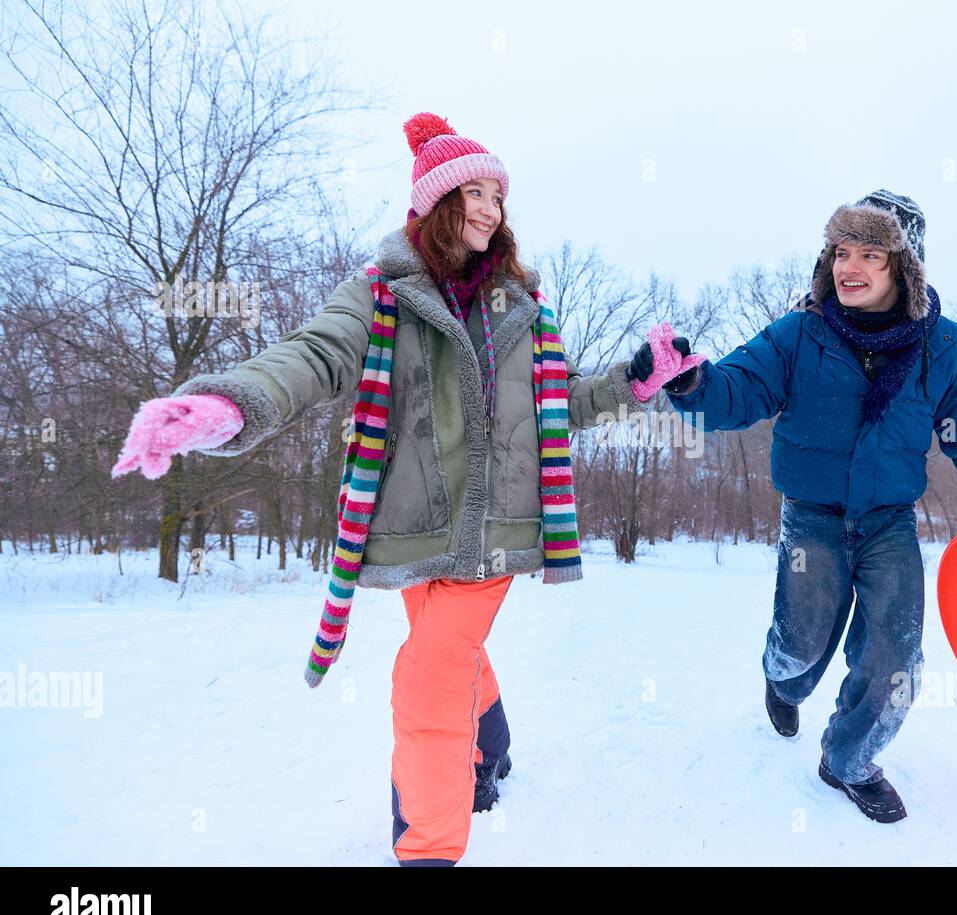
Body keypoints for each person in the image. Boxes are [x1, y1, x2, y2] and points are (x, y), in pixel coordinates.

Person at [112, 113, 657, 865]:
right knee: (450, 650)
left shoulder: (520, 305)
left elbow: (562, 402)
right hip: (411, 526)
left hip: (498, 529)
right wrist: (232, 401)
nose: (492, 208)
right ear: (436, 201)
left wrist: (635, 382)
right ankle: (489, 747)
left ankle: (428, 849)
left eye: (498, 193)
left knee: (429, 673)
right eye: (475, 191)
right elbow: (315, 353)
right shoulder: (379, 292)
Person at [628, 190, 957, 823]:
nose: (848, 268)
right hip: (812, 517)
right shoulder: (801, 335)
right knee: (802, 644)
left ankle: (849, 761)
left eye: (869, 254)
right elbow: (740, 389)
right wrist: (691, 381)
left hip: (888, 522)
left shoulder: (947, 350)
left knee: (895, 654)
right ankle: (783, 679)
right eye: (841, 252)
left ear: (904, 269)